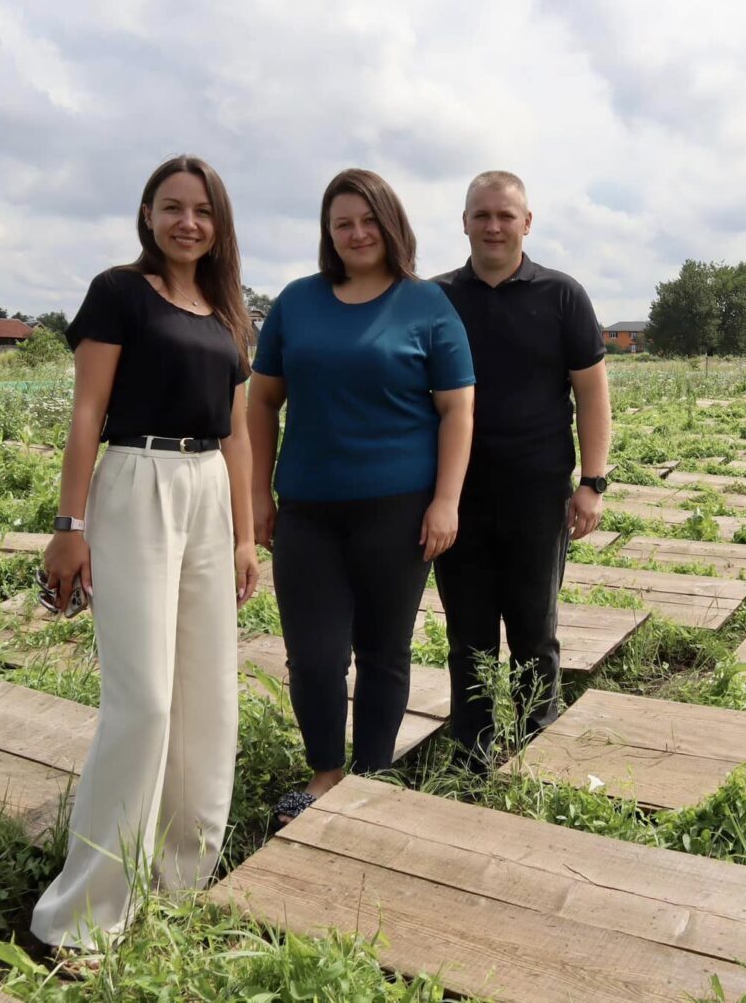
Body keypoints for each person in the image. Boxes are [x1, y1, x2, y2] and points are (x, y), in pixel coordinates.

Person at [33, 156, 259, 949]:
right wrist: (70, 524)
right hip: (137, 480)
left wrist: (244, 536)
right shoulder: (119, 292)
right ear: (147, 214)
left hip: (208, 490)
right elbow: (87, 411)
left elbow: (237, 436)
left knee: (207, 693)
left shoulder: (229, 312)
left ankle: (178, 876)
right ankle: (83, 916)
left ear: (219, 224)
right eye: (172, 207)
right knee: (146, 700)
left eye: (202, 210)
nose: (187, 222)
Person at [248, 168, 474, 823]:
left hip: (398, 511)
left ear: (391, 224)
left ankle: (372, 776)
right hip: (308, 513)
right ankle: (325, 773)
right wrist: (257, 493)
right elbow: (261, 402)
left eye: (368, 220)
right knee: (315, 656)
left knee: (383, 651)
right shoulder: (297, 302)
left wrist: (446, 501)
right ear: (328, 233)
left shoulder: (427, 305)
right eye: (342, 223)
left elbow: (457, 409)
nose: (357, 233)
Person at [432, 171, 610, 770]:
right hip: (456, 496)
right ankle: (473, 752)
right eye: (481, 215)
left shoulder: (562, 296)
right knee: (469, 634)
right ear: (464, 222)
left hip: (538, 493)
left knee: (535, 629)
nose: (493, 226)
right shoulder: (436, 299)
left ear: (526, 223)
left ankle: (539, 748)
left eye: (505, 215)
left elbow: (592, 394)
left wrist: (592, 483)